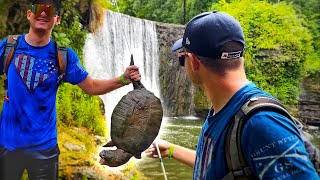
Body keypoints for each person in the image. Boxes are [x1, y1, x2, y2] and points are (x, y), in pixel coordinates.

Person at [145, 11, 319, 179]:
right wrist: (172, 150)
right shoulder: (223, 110)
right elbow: (220, 168)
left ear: (194, 61)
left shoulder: (262, 124)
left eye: (182, 58)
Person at [0, 0, 141, 179]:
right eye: (39, 9)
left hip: (44, 150)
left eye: (49, 11)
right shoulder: (9, 46)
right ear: (30, 14)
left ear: (57, 19)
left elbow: (91, 86)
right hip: (7, 146)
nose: (43, 13)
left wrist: (123, 79)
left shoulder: (64, 56)